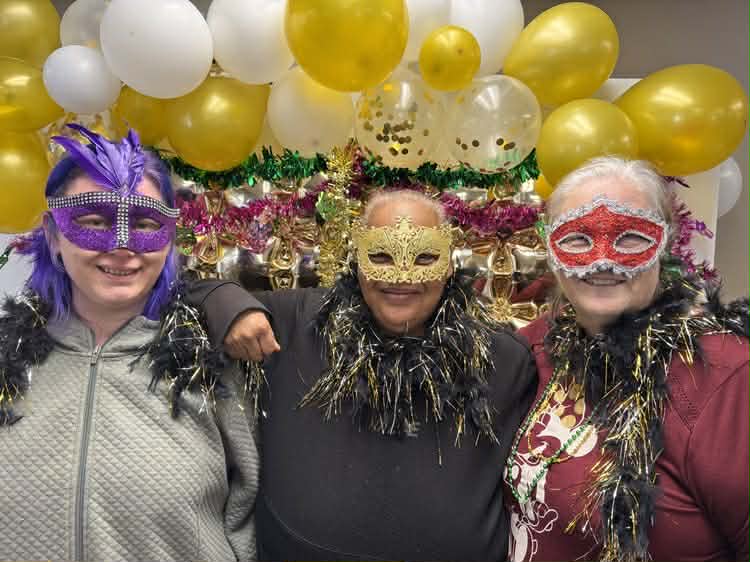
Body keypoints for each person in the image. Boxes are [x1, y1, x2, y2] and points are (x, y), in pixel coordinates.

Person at [188, 189, 537, 560]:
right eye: (381, 254)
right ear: (357, 258)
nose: (402, 275)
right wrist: (227, 304)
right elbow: (183, 300)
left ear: (449, 263)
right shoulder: (294, 322)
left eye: (424, 257)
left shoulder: (503, 359)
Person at [0, 125, 259, 562]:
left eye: (145, 224)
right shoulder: (6, 360)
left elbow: (250, 517)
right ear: (53, 235)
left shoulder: (211, 361)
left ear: (169, 237)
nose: (122, 246)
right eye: (94, 221)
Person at [504, 156, 750, 562]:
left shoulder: (724, 374)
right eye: (577, 239)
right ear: (550, 246)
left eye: (631, 238)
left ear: (664, 242)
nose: (603, 261)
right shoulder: (531, 349)